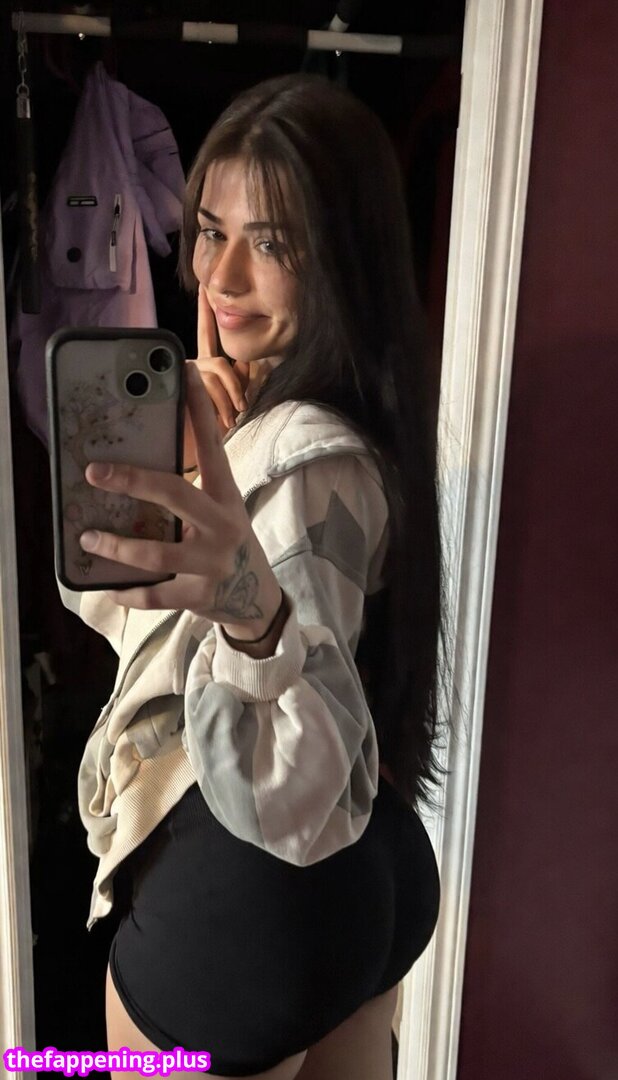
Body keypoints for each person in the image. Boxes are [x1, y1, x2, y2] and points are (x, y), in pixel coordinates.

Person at [59, 73, 451, 1080]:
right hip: (373, 873)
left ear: (341, 261)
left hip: (249, 886)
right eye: (210, 231)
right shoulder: (340, 433)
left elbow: (295, 777)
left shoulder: (305, 459)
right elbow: (116, 601)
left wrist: (255, 614)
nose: (221, 276)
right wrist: (193, 455)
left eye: (271, 244)